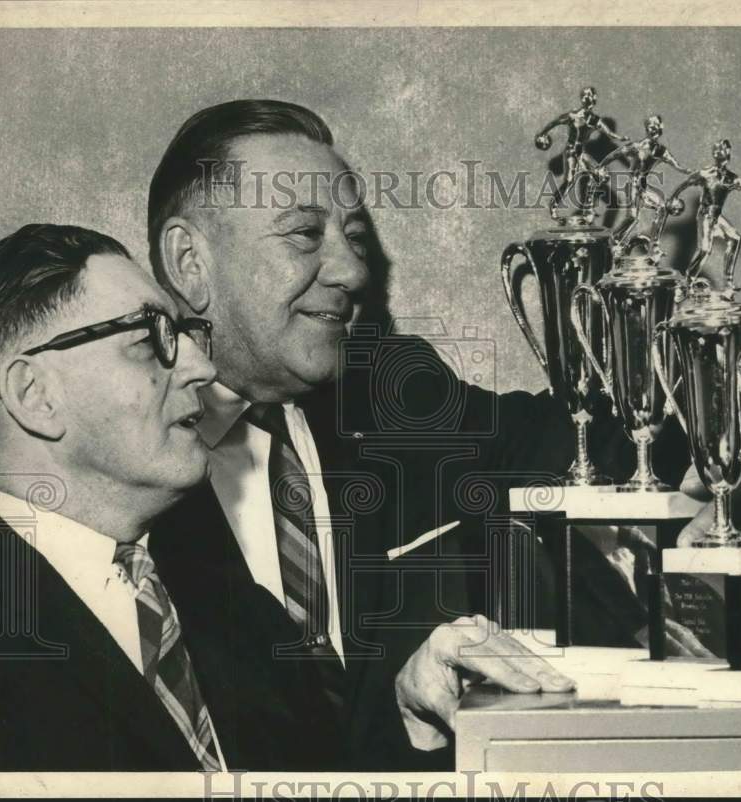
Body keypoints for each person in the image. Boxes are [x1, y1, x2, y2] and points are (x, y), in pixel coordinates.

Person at [146, 100, 577, 769]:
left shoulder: (397, 397)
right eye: (304, 235)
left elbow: (568, 442)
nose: (352, 272)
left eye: (352, 236)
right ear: (189, 263)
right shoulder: (120, 462)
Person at [0, 224, 354, 771]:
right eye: (148, 340)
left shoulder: (242, 612)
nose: (202, 368)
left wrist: (412, 722)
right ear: (34, 395)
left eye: (183, 336)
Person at [662, 139, 741, 298]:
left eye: (723, 149)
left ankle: (729, 282)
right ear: (714, 154)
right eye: (717, 149)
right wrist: (672, 199)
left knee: (735, 238)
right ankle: (687, 282)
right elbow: (684, 184)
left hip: (717, 218)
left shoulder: (732, 178)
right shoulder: (706, 173)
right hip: (705, 215)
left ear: (728, 153)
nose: (720, 152)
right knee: (705, 249)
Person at [597, 114, 690, 251]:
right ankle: (613, 240)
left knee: (662, 208)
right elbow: (615, 155)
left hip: (643, 187)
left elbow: (676, 165)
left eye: (657, 126)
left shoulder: (661, 151)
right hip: (633, 186)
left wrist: (688, 171)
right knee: (633, 218)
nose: (654, 129)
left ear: (660, 129)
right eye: (652, 126)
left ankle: (654, 245)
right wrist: (601, 165)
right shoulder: (636, 146)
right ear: (647, 128)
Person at [534, 86, 627, 222]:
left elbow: (609, 133)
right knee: (569, 181)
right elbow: (554, 123)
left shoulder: (594, 120)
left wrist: (620, 138)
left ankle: (588, 208)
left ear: (594, 100)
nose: (588, 98)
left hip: (581, 154)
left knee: (601, 174)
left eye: (591, 96)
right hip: (571, 152)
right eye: (586, 96)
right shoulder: (573, 116)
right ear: (582, 99)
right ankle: (553, 206)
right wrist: (543, 134)